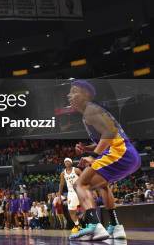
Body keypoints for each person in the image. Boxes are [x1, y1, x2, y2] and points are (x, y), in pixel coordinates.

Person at [69, 80, 141, 241]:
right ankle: (115, 226)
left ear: (86, 95)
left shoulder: (90, 110)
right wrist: (87, 149)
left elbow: (109, 132)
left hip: (120, 152)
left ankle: (94, 226)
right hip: (126, 154)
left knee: (80, 184)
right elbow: (106, 136)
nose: (69, 95)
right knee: (102, 185)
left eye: (74, 91)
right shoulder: (91, 112)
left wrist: (93, 155)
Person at [57, 157, 82, 233]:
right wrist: (59, 196)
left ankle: (88, 224)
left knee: (84, 208)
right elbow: (61, 184)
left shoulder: (76, 170)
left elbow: (84, 178)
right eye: (65, 162)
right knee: (71, 210)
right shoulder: (63, 173)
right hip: (71, 193)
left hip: (79, 191)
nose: (67, 163)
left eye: (68, 161)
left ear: (71, 162)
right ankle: (77, 225)